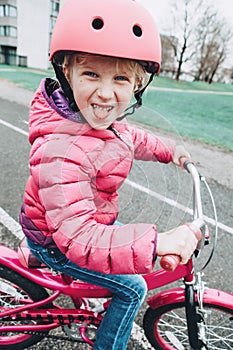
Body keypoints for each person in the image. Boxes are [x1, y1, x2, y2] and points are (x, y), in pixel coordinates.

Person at [19, 0, 201, 349]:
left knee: (124, 244)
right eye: (91, 74)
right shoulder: (60, 151)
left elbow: (133, 138)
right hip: (60, 241)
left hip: (77, 221)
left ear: (136, 86)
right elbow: (79, 237)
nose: (106, 92)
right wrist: (159, 242)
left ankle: (34, 252)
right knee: (134, 288)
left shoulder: (100, 118)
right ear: (66, 73)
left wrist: (171, 152)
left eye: (120, 78)